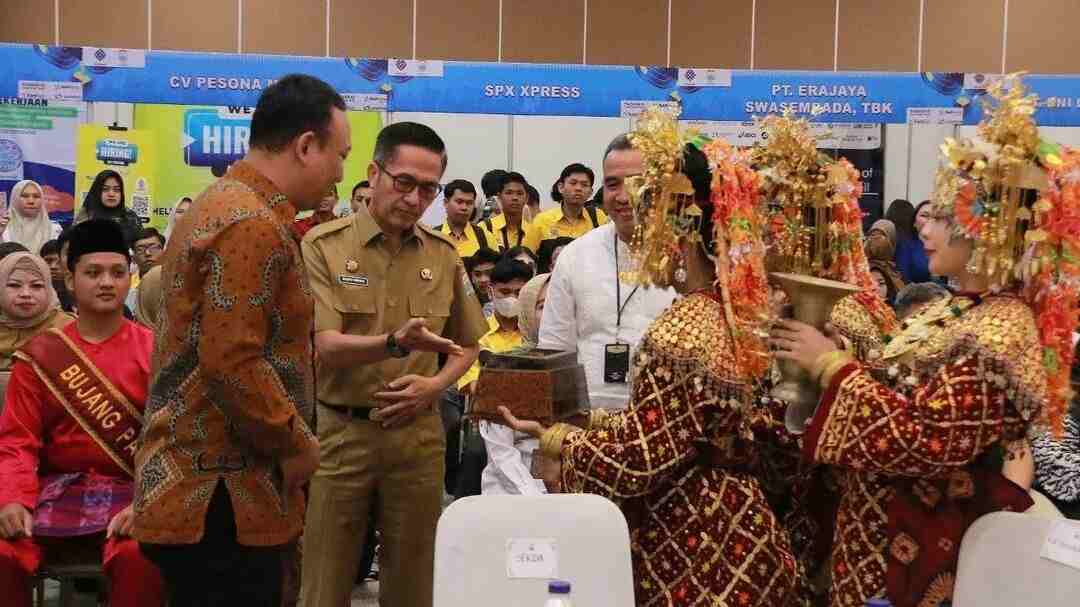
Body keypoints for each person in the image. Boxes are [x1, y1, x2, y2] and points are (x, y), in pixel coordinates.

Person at [769, 77, 1077, 607]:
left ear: (990, 225)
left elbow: (924, 439)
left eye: (941, 214)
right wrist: (848, 354)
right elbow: (905, 390)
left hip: (918, 555)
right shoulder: (956, 308)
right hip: (879, 538)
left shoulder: (1000, 330)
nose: (925, 227)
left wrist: (832, 368)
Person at [503, 114, 800, 605]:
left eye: (647, 198)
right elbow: (680, 426)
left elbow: (643, 457)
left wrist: (559, 442)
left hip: (690, 532)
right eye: (616, 186)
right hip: (736, 521)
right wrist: (578, 422)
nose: (631, 207)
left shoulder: (683, 326)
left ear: (678, 224)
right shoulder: (731, 312)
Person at [132, 74, 348, 607]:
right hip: (222, 498)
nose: (340, 173)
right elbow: (232, 359)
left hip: (206, 492)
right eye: (339, 155)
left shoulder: (223, 203)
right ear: (304, 146)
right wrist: (295, 441)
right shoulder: (250, 223)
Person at [300, 121, 489, 607]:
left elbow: (468, 343)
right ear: (374, 173)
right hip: (342, 434)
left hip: (419, 436)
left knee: (412, 583)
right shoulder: (323, 246)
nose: (413, 198)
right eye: (403, 182)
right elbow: (326, 345)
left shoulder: (444, 254)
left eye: (428, 188)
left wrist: (435, 387)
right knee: (324, 581)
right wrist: (393, 343)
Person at [0, 219, 163, 607]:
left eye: (117, 272)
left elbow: (171, 440)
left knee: (142, 554)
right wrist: (12, 499)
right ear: (70, 280)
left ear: (130, 278)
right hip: (49, 493)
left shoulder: (157, 353)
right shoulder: (41, 355)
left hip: (130, 494)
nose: (106, 282)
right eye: (93, 272)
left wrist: (148, 503)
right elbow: (17, 441)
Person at [538, 135, 676, 410]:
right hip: (589, 423)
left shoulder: (688, 259)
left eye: (637, 182)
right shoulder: (576, 256)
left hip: (669, 422)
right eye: (613, 184)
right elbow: (555, 350)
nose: (623, 196)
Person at [456, 260, 541, 496]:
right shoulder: (477, 335)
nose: (512, 298)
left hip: (536, 420)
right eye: (505, 292)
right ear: (491, 291)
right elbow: (473, 385)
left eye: (519, 292)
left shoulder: (538, 333)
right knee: (475, 454)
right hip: (490, 417)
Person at [0, 252, 74, 370]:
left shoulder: (68, 329)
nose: (26, 294)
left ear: (49, 290)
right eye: (14, 285)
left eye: (36, 286)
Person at [525, 163, 607, 257]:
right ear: (561, 187)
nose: (578, 188)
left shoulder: (599, 218)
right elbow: (526, 257)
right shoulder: (542, 220)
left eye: (584, 185)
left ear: (590, 192)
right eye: (573, 183)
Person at [75, 170, 143, 245]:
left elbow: (140, 248)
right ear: (97, 192)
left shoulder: (130, 217)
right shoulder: (86, 217)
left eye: (116, 190)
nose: (111, 194)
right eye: (105, 189)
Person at [435, 179, 492, 257]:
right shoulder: (433, 237)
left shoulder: (485, 237)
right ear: (446, 202)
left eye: (469, 203)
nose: (464, 207)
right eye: (459, 202)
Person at [2, 180, 62, 253]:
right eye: (25, 196)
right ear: (15, 199)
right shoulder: (4, 228)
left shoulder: (54, 229)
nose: (31, 201)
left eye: (36, 196)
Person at [887, 198, 931, 283]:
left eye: (935, 217)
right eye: (924, 215)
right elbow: (903, 279)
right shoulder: (906, 245)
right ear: (914, 222)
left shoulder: (945, 244)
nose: (930, 220)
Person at [125, 228, 165, 318]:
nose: (147, 253)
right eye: (140, 249)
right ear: (133, 258)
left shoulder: (174, 283)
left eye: (153, 248)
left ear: (164, 252)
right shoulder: (126, 285)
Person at [489, 171, 531, 252]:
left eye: (519, 193)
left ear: (526, 198)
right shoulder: (485, 229)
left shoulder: (532, 231)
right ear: (499, 197)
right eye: (509, 193)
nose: (515, 197)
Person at [465, 247, 501, 318]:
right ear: (471, 277)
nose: (483, 280)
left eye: (489, 273)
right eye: (477, 274)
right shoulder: (464, 305)